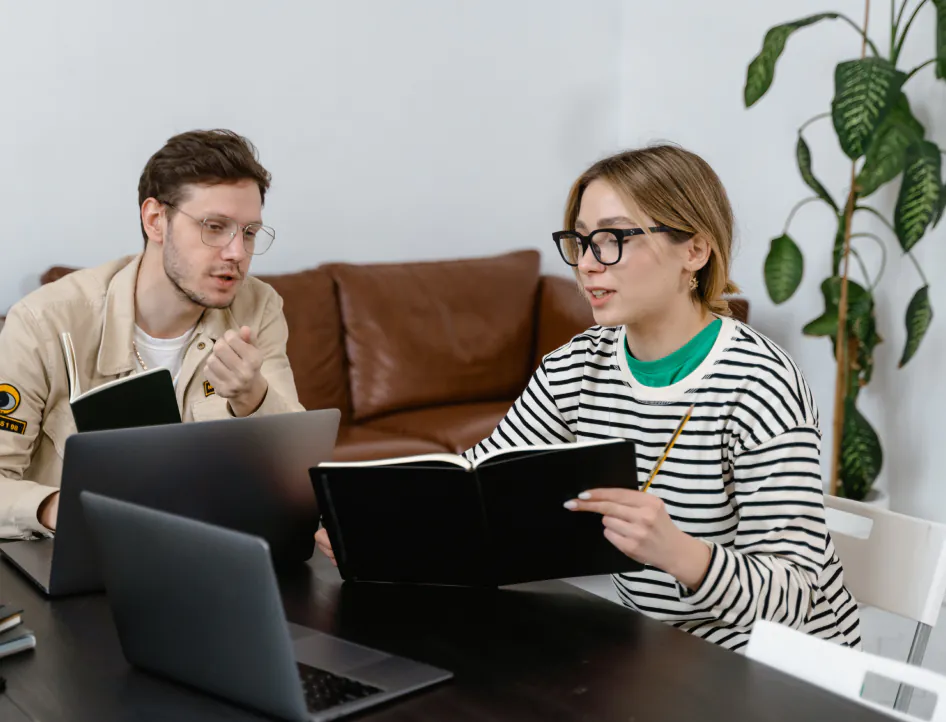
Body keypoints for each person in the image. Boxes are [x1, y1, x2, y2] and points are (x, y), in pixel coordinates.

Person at [316, 144, 861, 652]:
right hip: (656, 655)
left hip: (779, 671)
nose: (588, 264)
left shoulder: (760, 384)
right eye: (581, 240)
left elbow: (797, 598)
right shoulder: (578, 366)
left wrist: (680, 554)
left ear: (694, 250)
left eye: (615, 239)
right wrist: (383, 530)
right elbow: (473, 484)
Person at [0, 129, 304, 539]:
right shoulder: (43, 323)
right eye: (215, 227)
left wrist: (254, 398)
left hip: (211, 551)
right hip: (80, 559)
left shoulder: (258, 307)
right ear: (155, 220)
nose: (237, 252)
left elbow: (297, 470)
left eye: (249, 232)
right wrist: (60, 508)